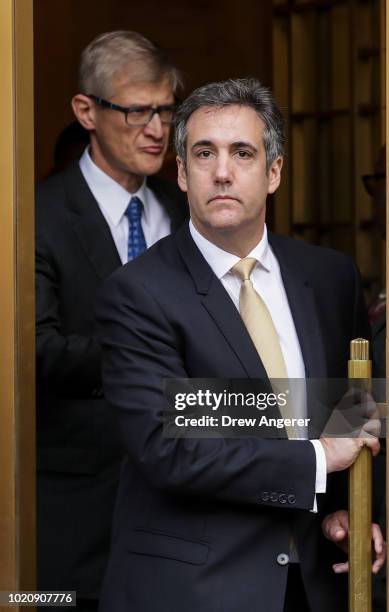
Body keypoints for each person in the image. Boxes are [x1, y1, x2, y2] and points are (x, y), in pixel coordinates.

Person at [96, 78, 385, 612]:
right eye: (204, 153)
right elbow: (169, 448)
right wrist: (318, 460)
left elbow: (351, 405)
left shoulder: (329, 277)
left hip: (318, 583)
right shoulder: (137, 294)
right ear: (181, 173)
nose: (222, 171)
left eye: (243, 153)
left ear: (273, 172)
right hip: (196, 591)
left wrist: (350, 509)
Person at [35, 30, 187, 611]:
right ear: (87, 112)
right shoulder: (39, 216)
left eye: (166, 110)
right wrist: (144, 365)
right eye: (137, 111)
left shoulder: (186, 211)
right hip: (77, 503)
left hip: (182, 503)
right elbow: (36, 348)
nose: (155, 129)